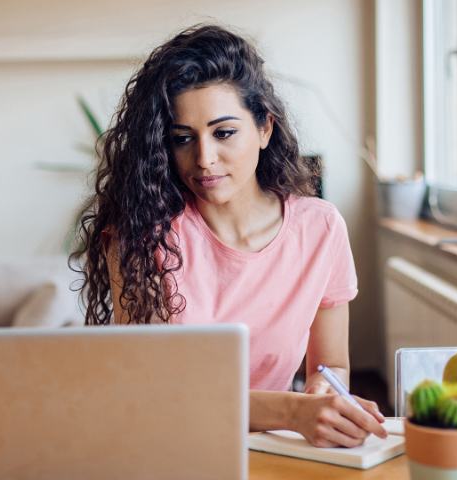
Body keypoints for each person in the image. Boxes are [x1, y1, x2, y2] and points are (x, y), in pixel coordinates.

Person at [71, 24, 387, 447]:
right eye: (182, 138)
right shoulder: (141, 235)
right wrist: (295, 411)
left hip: (270, 446)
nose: (204, 159)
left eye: (224, 133)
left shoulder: (321, 228)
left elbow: (330, 366)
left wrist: (324, 396)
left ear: (264, 129)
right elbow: (158, 393)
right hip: (164, 447)